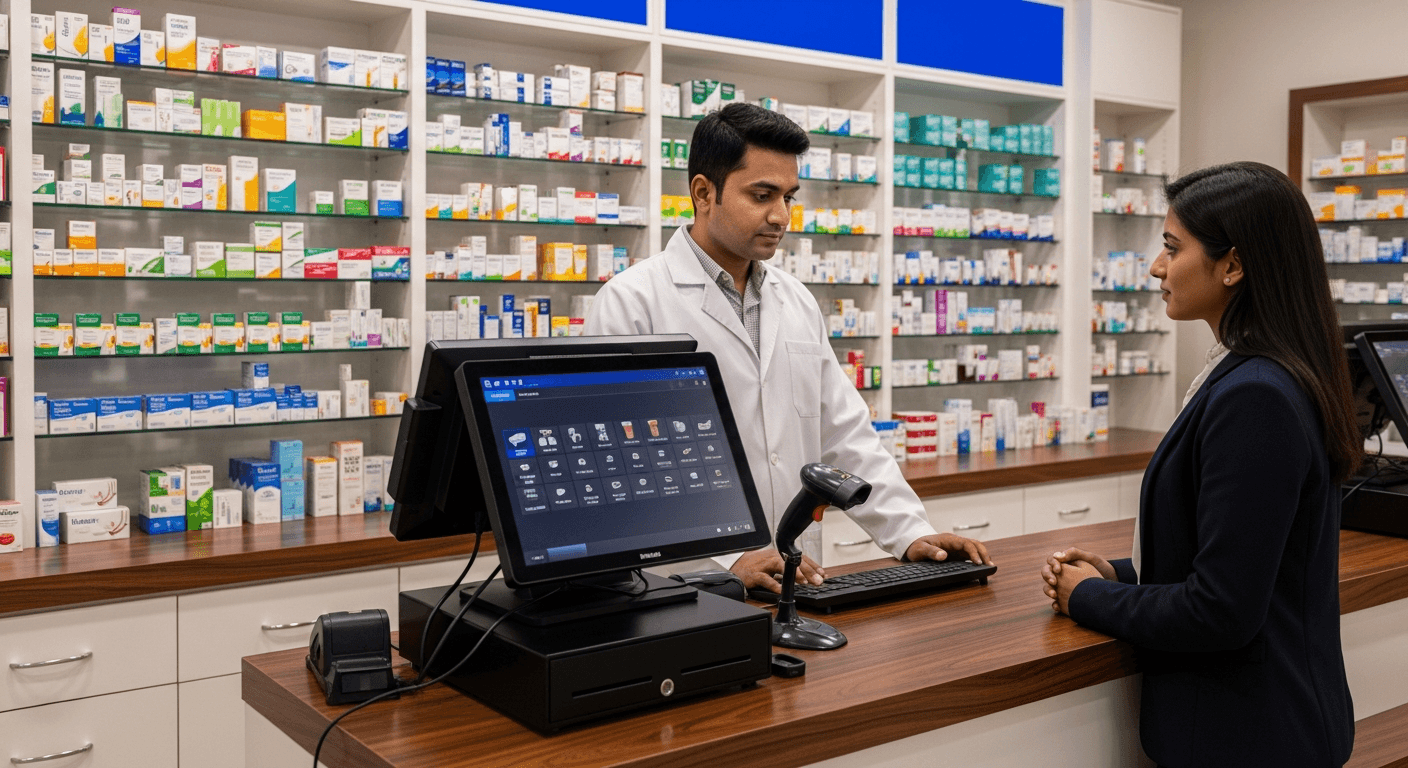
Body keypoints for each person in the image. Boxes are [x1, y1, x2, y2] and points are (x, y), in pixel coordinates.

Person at [584, 103, 991, 592]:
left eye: (789, 197)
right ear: (703, 192)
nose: (780, 216)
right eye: (761, 195)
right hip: (688, 584)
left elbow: (845, 433)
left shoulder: (795, 299)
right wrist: (729, 558)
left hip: (797, 578)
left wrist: (910, 533)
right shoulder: (633, 302)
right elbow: (624, 463)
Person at [1041, 161, 1357, 767]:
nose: (1156, 267)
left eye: (1171, 247)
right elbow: (1245, 555)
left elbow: (1222, 611)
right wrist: (1124, 571)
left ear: (1232, 265)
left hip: (1251, 739)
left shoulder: (1256, 394)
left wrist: (1088, 597)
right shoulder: (1260, 370)